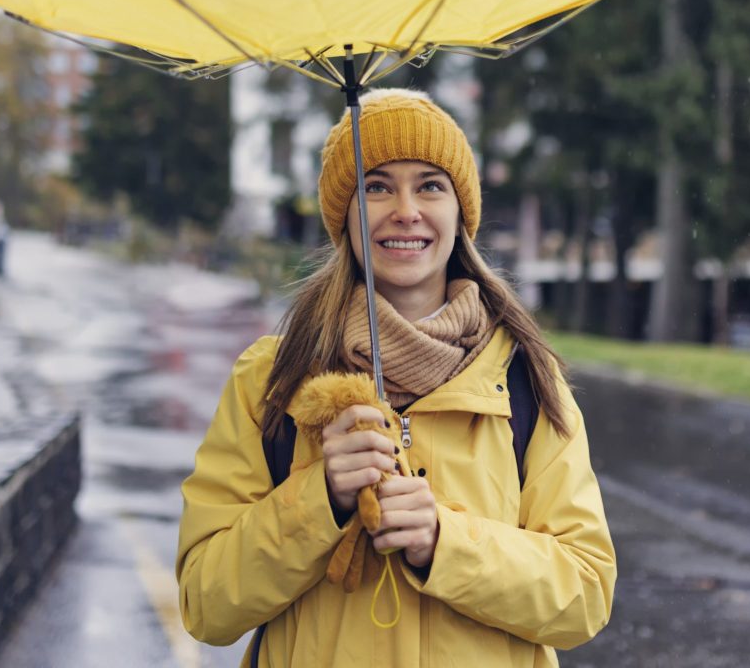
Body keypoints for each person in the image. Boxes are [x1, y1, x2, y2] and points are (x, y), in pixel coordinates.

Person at [176, 89, 616, 667]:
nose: (405, 209)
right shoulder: (271, 380)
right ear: (344, 215)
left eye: (430, 184)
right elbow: (206, 605)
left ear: (461, 213)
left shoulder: (528, 381)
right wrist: (321, 499)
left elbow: (585, 594)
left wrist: (446, 544)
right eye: (376, 185)